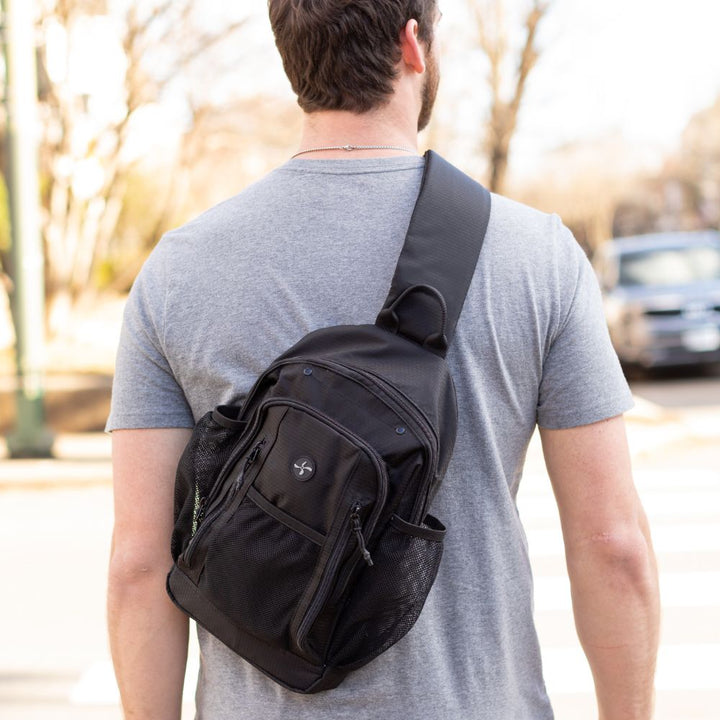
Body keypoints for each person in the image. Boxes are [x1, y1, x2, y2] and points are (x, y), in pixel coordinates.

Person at [106, 1, 660, 718]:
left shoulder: (177, 274)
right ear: (413, 46)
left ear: (291, 58)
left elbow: (139, 568)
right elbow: (613, 547)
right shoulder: (537, 257)